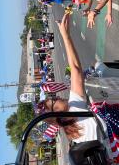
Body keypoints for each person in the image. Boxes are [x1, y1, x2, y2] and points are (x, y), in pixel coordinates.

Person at [37, 13, 99, 143]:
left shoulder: (73, 135)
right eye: (54, 99)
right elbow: (76, 69)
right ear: (56, 112)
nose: (57, 96)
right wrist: (66, 35)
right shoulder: (74, 109)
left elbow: (75, 71)